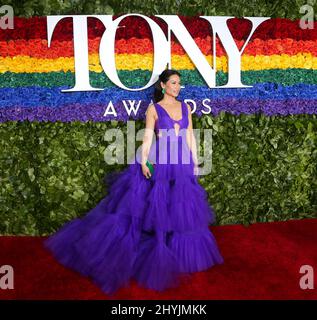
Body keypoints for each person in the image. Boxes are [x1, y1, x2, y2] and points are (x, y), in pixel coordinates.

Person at [43, 69, 224, 295]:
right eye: (174, 83)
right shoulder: (153, 109)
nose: (178, 87)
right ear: (163, 85)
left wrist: (196, 162)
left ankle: (177, 252)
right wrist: (145, 161)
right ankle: (157, 249)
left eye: (179, 83)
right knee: (155, 204)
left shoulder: (186, 107)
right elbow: (148, 136)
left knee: (180, 206)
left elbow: (189, 134)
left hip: (182, 160)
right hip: (161, 158)